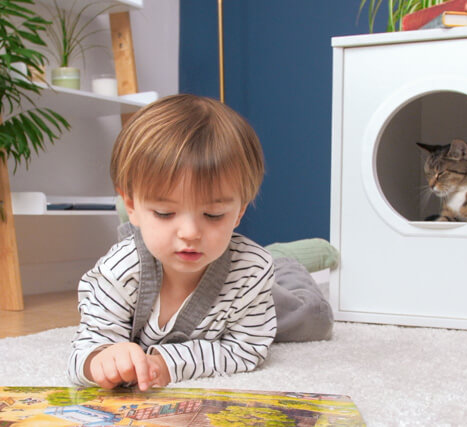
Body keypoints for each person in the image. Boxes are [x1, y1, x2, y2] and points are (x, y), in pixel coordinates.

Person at [67, 94, 334, 391]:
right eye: (165, 213)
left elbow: (246, 349)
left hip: (246, 279)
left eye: (213, 214)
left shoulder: (250, 273)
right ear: (131, 206)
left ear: (239, 211)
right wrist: (102, 359)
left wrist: (170, 362)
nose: (190, 233)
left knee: (313, 320)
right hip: (193, 254)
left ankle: (285, 262)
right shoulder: (119, 270)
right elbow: (85, 349)